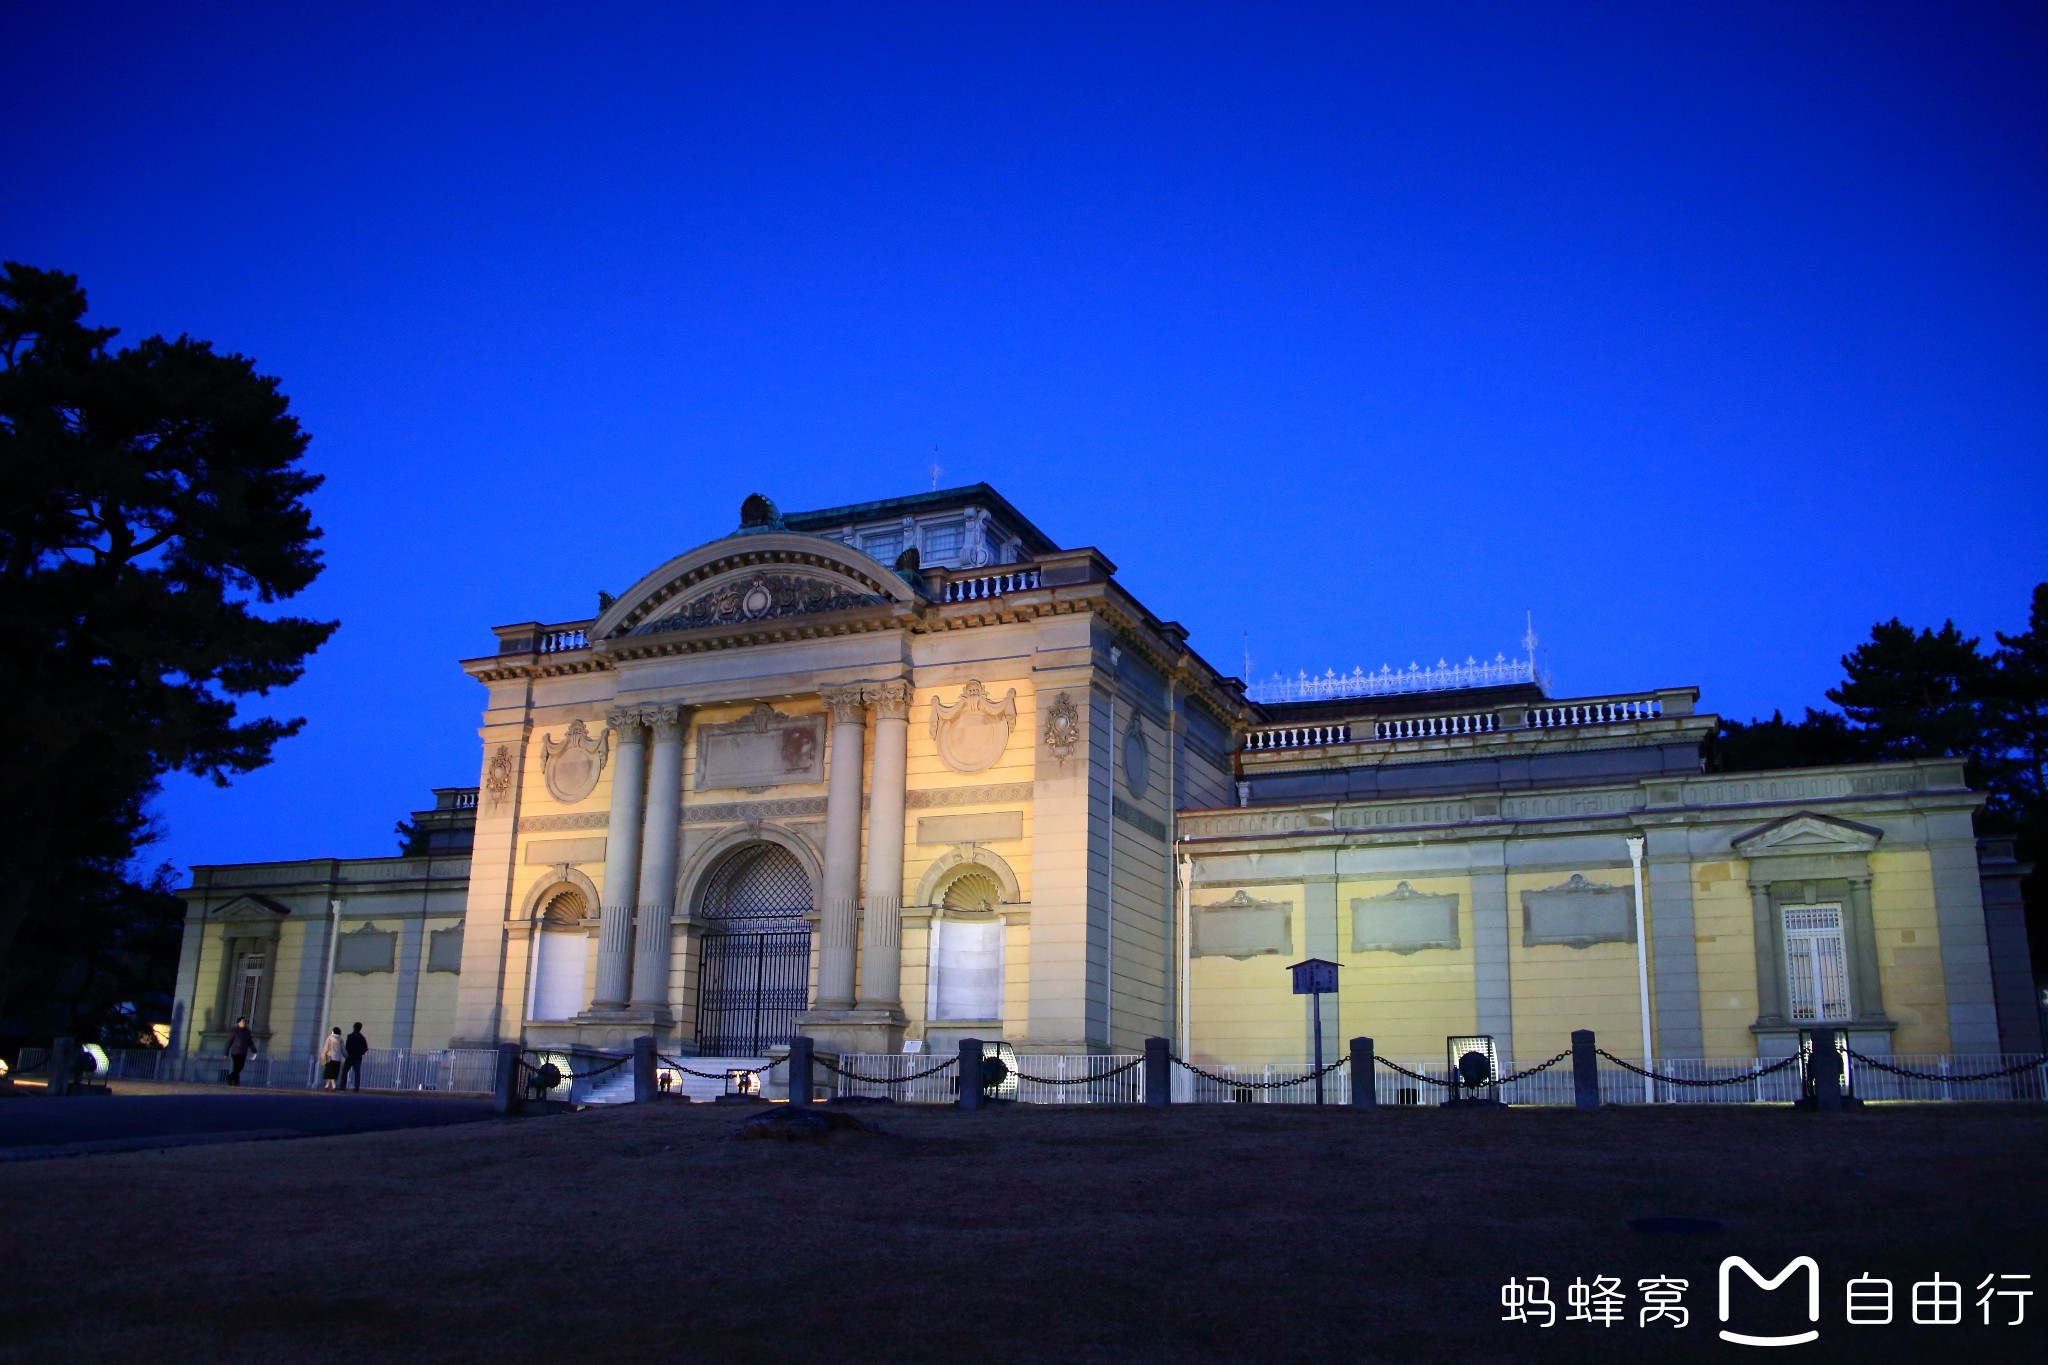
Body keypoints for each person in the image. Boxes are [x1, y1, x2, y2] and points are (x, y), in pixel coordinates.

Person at [225, 1017, 256, 1085]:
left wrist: (254, 1050)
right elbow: (229, 1042)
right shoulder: (234, 1031)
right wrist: (226, 1053)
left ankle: (231, 1078)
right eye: (243, 1022)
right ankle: (235, 1081)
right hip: (235, 1051)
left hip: (243, 1052)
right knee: (237, 1067)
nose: (244, 1023)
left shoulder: (247, 1032)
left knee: (240, 1067)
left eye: (245, 1022)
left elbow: (250, 1041)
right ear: (238, 1023)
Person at [340, 1022, 368, 1091]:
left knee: (345, 1072)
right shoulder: (362, 1038)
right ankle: (356, 1088)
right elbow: (365, 1048)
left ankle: (343, 1087)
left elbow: (347, 1047)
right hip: (357, 1057)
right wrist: (360, 1053)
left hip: (350, 1057)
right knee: (356, 1073)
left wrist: (347, 1054)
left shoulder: (350, 1036)